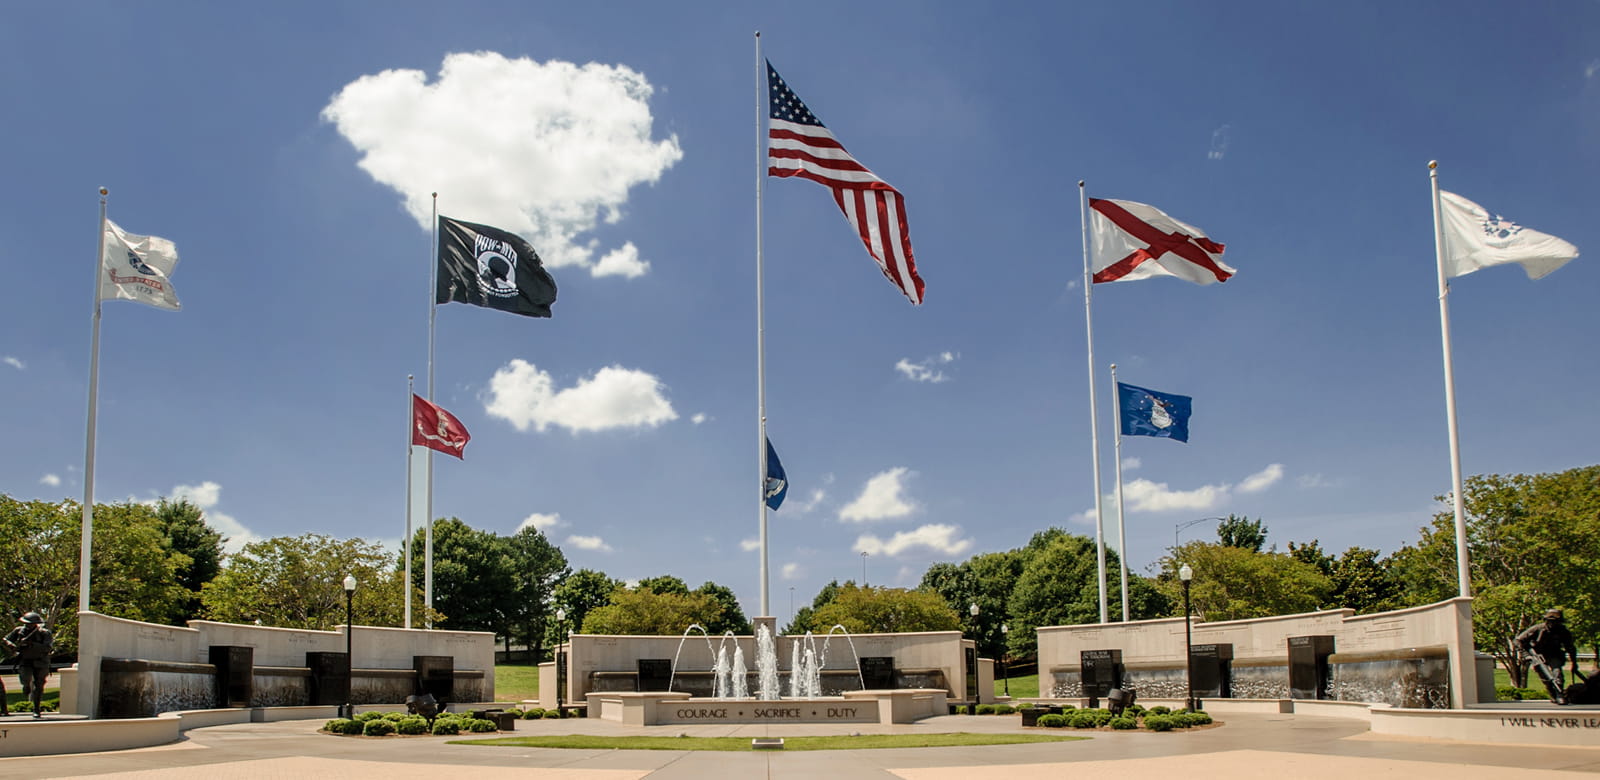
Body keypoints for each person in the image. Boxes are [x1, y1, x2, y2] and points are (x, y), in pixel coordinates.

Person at [1515, 608, 1579, 705]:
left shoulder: (1563, 631)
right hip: (1537, 656)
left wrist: (1574, 663)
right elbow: (1517, 641)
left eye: (1555, 621)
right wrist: (1526, 655)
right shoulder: (1537, 629)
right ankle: (1554, 695)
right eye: (1550, 621)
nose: (1552, 624)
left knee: (1557, 674)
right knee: (1545, 678)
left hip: (1554, 655)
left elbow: (1570, 647)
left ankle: (1559, 694)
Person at [3, 612, 54, 717]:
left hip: (40, 661)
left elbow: (48, 647)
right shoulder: (19, 631)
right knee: (25, 679)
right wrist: (12, 645)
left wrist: (31, 644)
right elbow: (6, 639)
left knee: (39, 685)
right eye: (26, 623)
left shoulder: (44, 633)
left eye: (30, 624)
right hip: (25, 660)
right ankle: (26, 686)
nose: (28, 625)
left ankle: (36, 709)